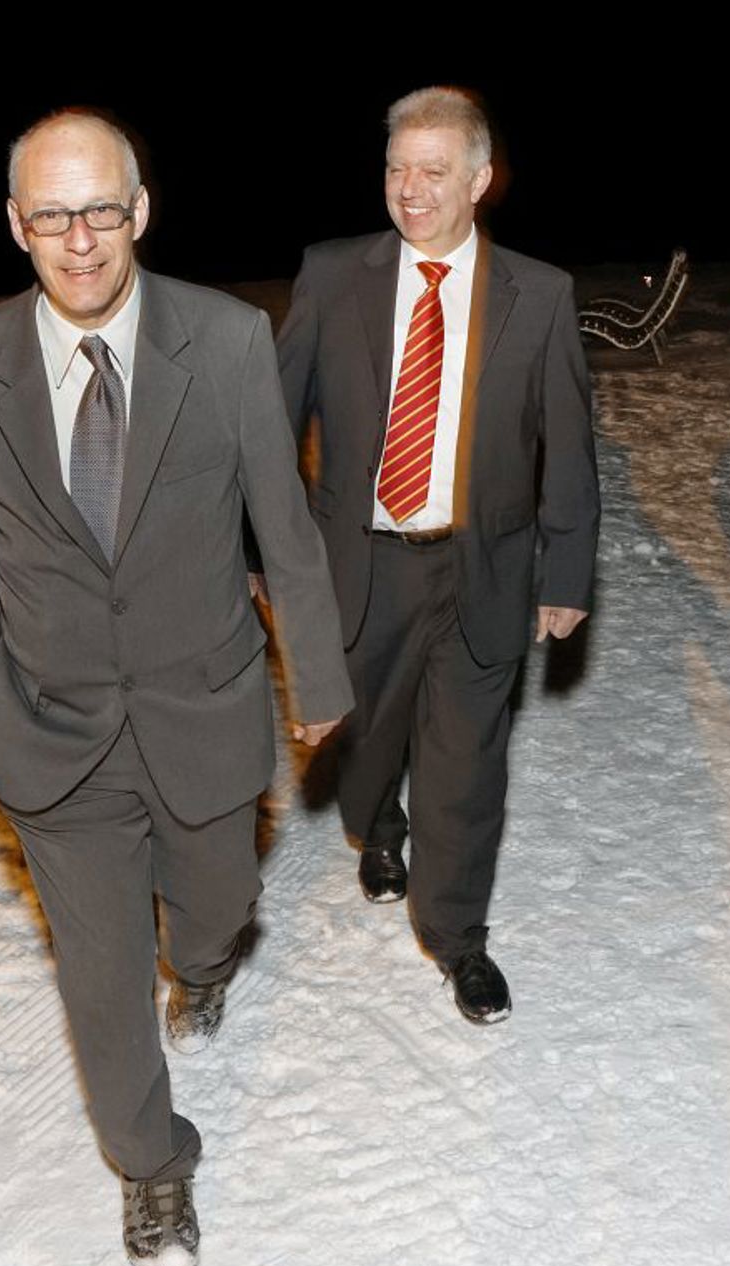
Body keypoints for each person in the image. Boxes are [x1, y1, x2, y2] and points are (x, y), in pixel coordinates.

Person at [0, 109, 351, 1266]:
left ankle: (201, 967)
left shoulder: (226, 340)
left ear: (140, 211)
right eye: (52, 215)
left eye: (100, 209)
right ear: (16, 224)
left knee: (214, 905)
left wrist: (315, 670)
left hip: (203, 704)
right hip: (51, 732)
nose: (80, 239)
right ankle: (150, 1163)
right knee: (101, 972)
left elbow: (281, 520)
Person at [276, 86, 599, 1024]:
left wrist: (567, 567)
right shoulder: (333, 276)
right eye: (396, 169)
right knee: (365, 738)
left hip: (480, 563)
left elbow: (567, 442)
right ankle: (379, 822)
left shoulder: (538, 294)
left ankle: (458, 936)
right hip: (361, 563)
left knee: (467, 764)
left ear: (479, 179)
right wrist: (270, 549)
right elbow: (271, 424)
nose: (410, 190)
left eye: (432, 171)